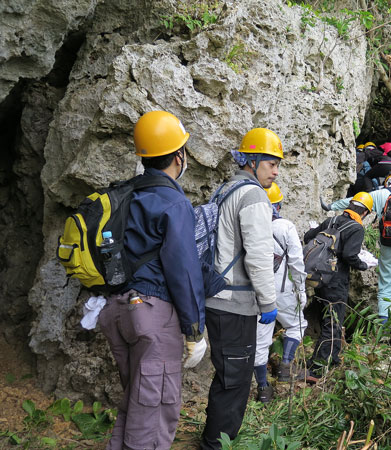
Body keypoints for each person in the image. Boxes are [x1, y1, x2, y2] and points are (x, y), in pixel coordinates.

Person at [98, 110, 207, 450]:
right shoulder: (174, 203)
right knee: (155, 412)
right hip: (152, 315)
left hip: (117, 310)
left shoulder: (124, 194)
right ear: (179, 156)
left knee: (136, 405)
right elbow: (183, 270)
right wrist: (194, 328)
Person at [200, 128, 282, 450]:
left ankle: (212, 438)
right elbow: (259, 256)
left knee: (226, 377)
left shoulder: (226, 189)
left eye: (278, 164)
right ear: (252, 160)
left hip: (217, 298)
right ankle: (216, 445)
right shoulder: (253, 196)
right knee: (234, 381)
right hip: (234, 304)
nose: (275, 171)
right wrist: (269, 303)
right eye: (270, 163)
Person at [325, 173, 391, 338]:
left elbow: (354, 201)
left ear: (387, 183)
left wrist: (330, 206)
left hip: (388, 246)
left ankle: (383, 330)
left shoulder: (378, 194)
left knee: (386, 286)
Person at [302, 192, 372, 381]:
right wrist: (365, 264)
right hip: (337, 281)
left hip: (321, 279)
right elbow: (350, 256)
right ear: (365, 212)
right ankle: (317, 369)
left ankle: (327, 359)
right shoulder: (356, 228)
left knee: (328, 320)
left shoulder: (332, 221)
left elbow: (308, 236)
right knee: (333, 323)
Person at [254, 182, 308, 403]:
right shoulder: (285, 226)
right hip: (283, 290)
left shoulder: (251, 225)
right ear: (278, 204)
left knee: (259, 341)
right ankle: (285, 366)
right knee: (297, 324)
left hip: (257, 292)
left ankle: (263, 389)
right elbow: (296, 262)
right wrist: (301, 290)